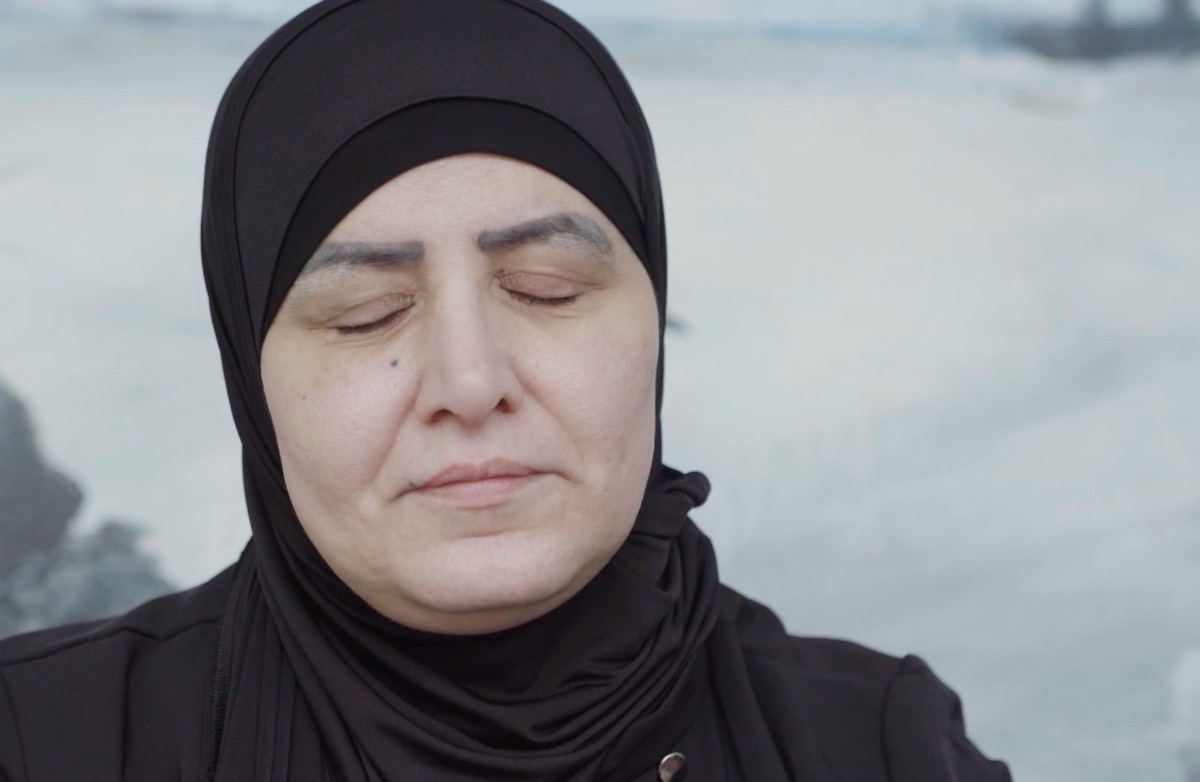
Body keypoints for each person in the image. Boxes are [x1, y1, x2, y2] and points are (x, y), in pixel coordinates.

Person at [0, 1, 1013, 780]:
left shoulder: (872, 746)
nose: (471, 380)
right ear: (250, 376)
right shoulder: (50, 739)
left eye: (546, 289)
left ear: (654, 325)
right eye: (365, 313)